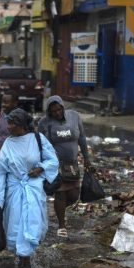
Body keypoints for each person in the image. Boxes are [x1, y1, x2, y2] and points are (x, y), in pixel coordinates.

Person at [0, 108, 59, 268]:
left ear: (21, 125)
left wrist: (40, 168)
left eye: (12, 123)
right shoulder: (8, 143)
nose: (8, 127)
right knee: (15, 224)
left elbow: (53, 160)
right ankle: (22, 258)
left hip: (33, 188)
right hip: (14, 190)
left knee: (32, 222)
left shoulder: (38, 139)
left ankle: (26, 258)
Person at [37, 95, 91, 238]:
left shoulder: (74, 116)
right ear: (49, 112)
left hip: (72, 164)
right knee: (60, 193)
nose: (57, 113)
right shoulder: (44, 122)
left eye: (59, 109)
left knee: (74, 194)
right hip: (56, 164)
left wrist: (87, 158)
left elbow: (82, 138)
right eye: (53, 111)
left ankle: (59, 210)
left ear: (63, 107)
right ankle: (61, 225)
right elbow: (40, 144)